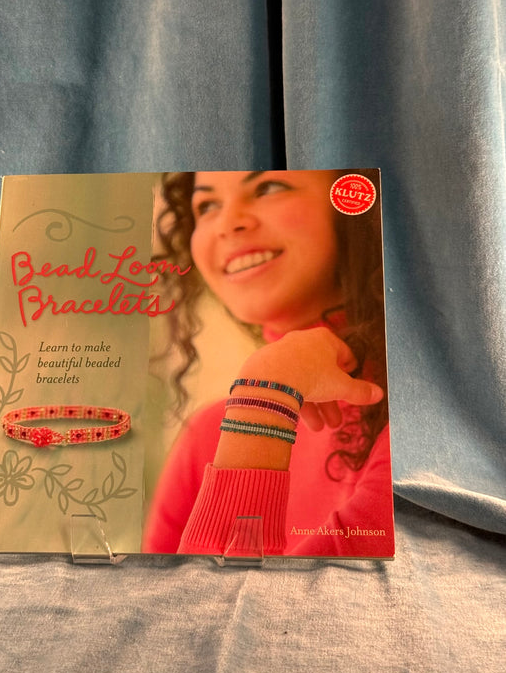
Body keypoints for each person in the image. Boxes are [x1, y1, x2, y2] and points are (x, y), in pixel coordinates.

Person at [143, 170, 394, 557]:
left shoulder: (413, 410)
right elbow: (181, 610)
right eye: (207, 206)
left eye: (269, 187)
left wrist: (264, 396)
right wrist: (267, 393)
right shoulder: (207, 438)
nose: (228, 222)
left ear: (353, 208)